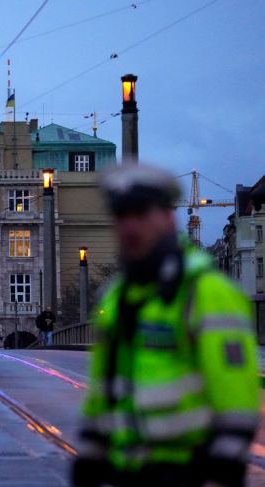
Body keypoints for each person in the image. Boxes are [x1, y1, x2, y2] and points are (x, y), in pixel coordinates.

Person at [72, 164, 260, 487]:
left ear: (168, 218)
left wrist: (223, 468)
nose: (130, 227)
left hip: (189, 471)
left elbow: (237, 397)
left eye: (141, 214)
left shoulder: (207, 292)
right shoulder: (117, 296)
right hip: (126, 471)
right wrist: (91, 450)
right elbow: (104, 387)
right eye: (122, 216)